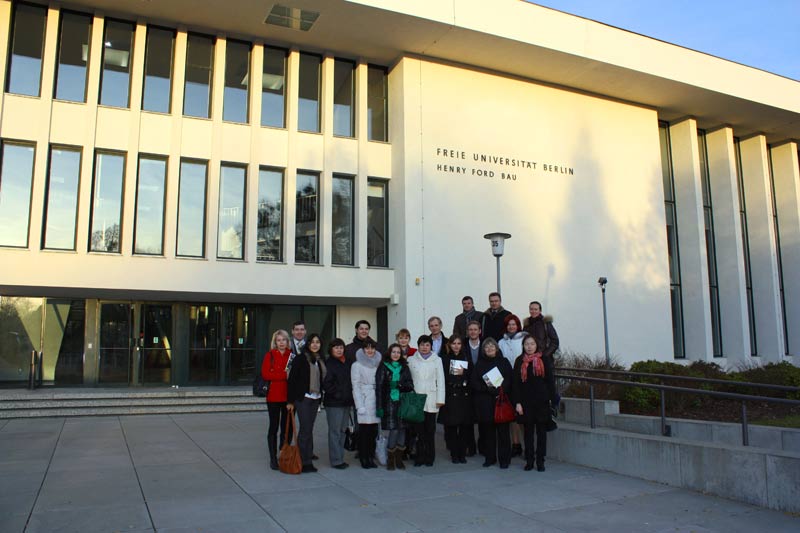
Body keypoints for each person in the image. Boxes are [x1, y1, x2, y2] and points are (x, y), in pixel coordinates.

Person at [511, 336, 557, 471]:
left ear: (536, 345)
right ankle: (529, 460)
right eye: (527, 344)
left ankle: (540, 460)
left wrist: (552, 400)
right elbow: (516, 384)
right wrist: (517, 402)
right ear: (523, 346)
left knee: (541, 433)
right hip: (525, 402)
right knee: (528, 433)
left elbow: (550, 381)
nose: (529, 346)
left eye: (532, 344)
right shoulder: (519, 361)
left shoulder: (544, 359)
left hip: (542, 402)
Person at [286, 333, 326, 473]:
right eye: (312, 342)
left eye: (317, 342)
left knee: (309, 429)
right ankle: (304, 461)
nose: (315, 344)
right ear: (308, 344)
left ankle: (307, 456)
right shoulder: (300, 358)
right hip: (303, 398)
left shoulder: (320, 359)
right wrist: (290, 401)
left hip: (316, 398)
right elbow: (292, 380)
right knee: (305, 429)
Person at [471, 337, 513, 468]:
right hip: (485, 402)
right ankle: (490, 458)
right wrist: (487, 389)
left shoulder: (504, 362)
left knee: (503, 433)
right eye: (486, 347)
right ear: (483, 350)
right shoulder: (480, 364)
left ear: (496, 348)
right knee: (488, 433)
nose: (489, 348)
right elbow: (474, 382)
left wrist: (501, 389)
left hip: (501, 400)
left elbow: (510, 378)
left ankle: (504, 460)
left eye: (492, 346)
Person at [407, 334, 445, 466]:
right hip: (416, 399)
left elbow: (441, 381)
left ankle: (430, 456)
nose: (424, 347)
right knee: (419, 431)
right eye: (422, 345)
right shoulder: (411, 360)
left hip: (431, 398)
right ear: (418, 346)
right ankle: (419, 456)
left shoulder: (437, 360)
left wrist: (440, 399)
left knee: (430, 430)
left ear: (431, 346)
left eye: (427, 345)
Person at [375, 343, 414, 470]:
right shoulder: (383, 367)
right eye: (393, 352)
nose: (396, 354)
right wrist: (379, 407)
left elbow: (410, 385)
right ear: (389, 353)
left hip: (402, 403)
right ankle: (391, 459)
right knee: (394, 430)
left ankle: (399, 459)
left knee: (403, 429)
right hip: (389, 403)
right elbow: (379, 389)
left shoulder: (405, 367)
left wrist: (399, 385)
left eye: (398, 352)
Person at [437, 335, 473, 464]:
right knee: (451, 427)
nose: (456, 346)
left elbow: (471, 376)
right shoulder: (444, 359)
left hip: (464, 396)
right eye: (454, 343)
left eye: (458, 343)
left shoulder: (466, 358)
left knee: (464, 427)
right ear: (449, 345)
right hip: (450, 395)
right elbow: (441, 377)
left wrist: (464, 380)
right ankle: (454, 453)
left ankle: (462, 453)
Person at [498, 313, 528, 458]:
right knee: (511, 415)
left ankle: (527, 445)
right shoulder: (501, 342)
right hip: (507, 380)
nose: (511, 327)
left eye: (513, 324)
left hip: (522, 379)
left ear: (517, 325)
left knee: (523, 414)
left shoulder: (524, 339)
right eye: (509, 325)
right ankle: (516, 444)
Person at [262, 329, 292, 471]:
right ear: (275, 342)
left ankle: (283, 453)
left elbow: (293, 376)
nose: (281, 343)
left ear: (287, 341)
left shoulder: (291, 356)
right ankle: (273, 458)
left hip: (288, 397)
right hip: (273, 397)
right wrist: (283, 375)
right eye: (278, 340)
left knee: (286, 428)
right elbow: (266, 374)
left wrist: (276, 373)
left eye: (283, 340)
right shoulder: (270, 355)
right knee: (273, 427)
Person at [322, 338, 353, 470]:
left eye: (341, 347)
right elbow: (327, 384)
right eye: (336, 348)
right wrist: (338, 394)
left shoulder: (347, 362)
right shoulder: (328, 363)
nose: (339, 350)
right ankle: (336, 460)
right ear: (331, 349)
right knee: (335, 431)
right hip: (334, 403)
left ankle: (340, 457)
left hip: (346, 402)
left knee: (343, 430)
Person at [351, 338, 381, 468]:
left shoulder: (378, 363)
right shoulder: (357, 365)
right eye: (367, 348)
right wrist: (359, 405)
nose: (370, 350)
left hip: (376, 399)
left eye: (372, 348)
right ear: (363, 350)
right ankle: (363, 457)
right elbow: (355, 386)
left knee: (373, 431)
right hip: (364, 399)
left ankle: (371, 456)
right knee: (364, 431)